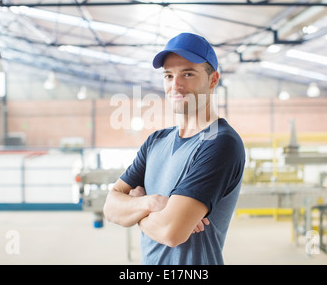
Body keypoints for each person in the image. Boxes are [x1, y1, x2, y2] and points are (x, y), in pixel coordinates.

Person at [103, 32, 245, 265]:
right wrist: (151, 203)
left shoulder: (221, 143)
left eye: (188, 74)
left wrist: (135, 212)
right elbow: (110, 207)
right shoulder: (155, 141)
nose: (175, 86)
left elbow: (171, 232)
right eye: (168, 75)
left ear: (213, 79)